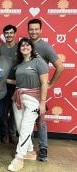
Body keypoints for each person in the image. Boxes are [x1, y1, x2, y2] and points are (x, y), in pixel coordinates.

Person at [7, 38, 49, 171]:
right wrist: (3, 79)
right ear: (19, 49)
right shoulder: (18, 64)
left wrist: (42, 103)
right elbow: (19, 82)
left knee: (25, 127)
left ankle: (19, 157)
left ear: (31, 47)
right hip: (18, 98)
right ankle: (30, 151)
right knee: (20, 127)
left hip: (33, 100)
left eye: (27, 45)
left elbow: (44, 83)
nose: (25, 47)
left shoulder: (39, 61)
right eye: (22, 45)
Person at [27, 18, 64, 161]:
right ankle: (28, 147)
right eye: (31, 29)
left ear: (41, 30)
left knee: (40, 120)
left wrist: (51, 85)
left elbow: (60, 67)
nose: (34, 31)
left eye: (36, 29)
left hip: (38, 91)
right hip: (25, 90)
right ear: (28, 30)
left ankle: (43, 149)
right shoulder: (25, 45)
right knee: (26, 121)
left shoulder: (45, 47)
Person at [0, 24, 18, 144]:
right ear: (4, 35)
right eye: (7, 33)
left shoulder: (20, 47)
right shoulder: (0, 48)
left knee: (15, 111)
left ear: (14, 34)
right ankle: (5, 134)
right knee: (3, 111)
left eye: (11, 33)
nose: (9, 35)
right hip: (3, 84)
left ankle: (13, 134)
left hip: (17, 84)